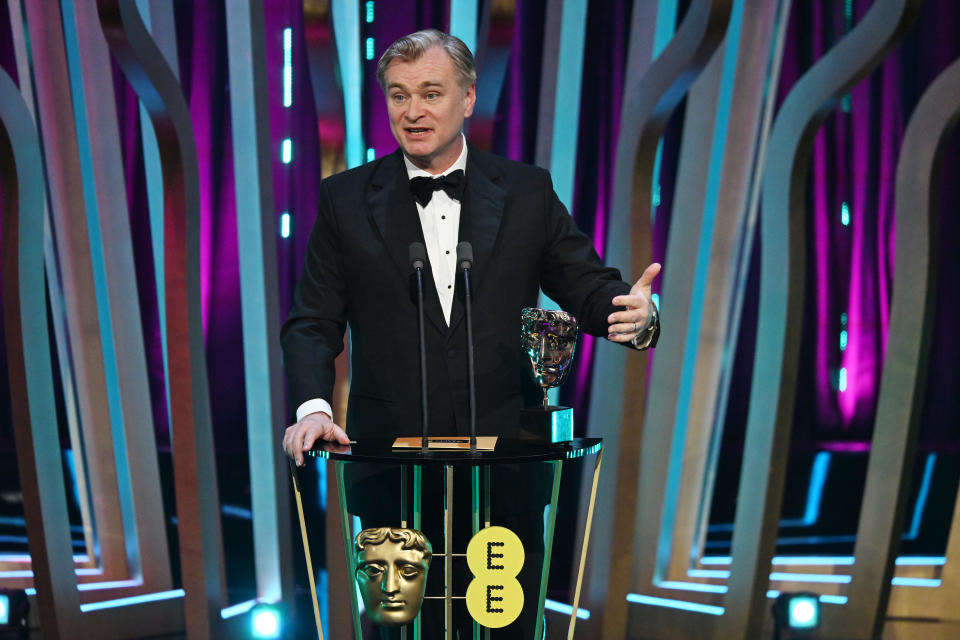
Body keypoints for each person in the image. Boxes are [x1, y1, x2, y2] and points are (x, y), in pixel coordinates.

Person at [281, 29, 660, 466]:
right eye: (399, 96)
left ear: (467, 98)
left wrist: (634, 314)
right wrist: (313, 409)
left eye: (431, 94)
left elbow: (584, 285)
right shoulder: (345, 200)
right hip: (389, 461)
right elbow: (312, 322)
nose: (413, 112)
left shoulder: (525, 192)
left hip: (508, 460)